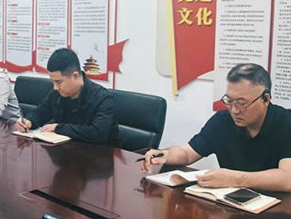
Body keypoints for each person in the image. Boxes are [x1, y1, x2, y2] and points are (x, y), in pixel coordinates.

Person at [142, 63, 291, 192]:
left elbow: (287, 179)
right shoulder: (222, 121)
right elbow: (187, 153)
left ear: (265, 99)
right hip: (233, 206)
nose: (234, 110)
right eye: (229, 101)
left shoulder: (286, 123)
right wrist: (166, 154)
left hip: (278, 209)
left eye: (242, 103)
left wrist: (235, 179)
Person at [15, 48, 118, 145]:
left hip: (98, 154)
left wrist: (58, 128)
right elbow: (40, 112)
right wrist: (29, 121)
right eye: (53, 82)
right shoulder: (57, 94)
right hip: (65, 151)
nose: (55, 87)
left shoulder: (102, 98)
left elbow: (98, 133)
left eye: (58, 82)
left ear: (75, 76)